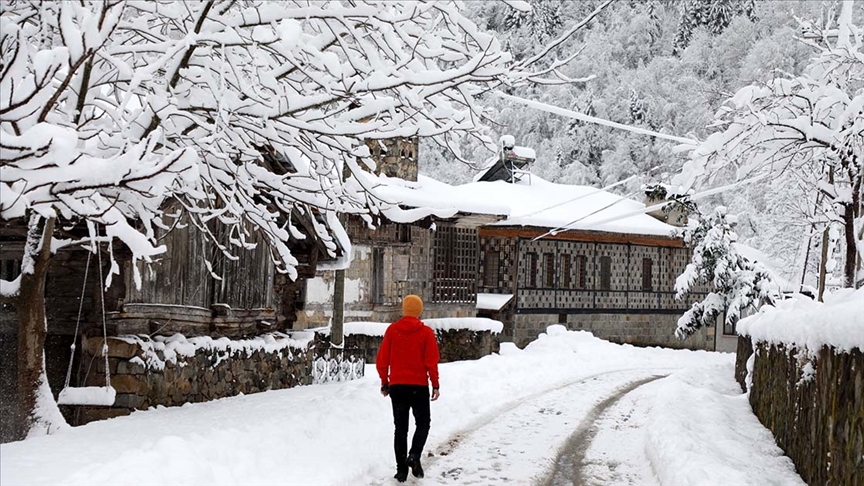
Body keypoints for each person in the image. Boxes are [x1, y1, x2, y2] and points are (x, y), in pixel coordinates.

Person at [377, 294, 440, 482]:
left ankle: (401, 470)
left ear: (404, 309)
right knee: (423, 423)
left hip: (397, 386)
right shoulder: (426, 333)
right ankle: (414, 455)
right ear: (419, 310)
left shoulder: (392, 330)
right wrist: (435, 384)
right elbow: (431, 362)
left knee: (400, 429)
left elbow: (382, 360)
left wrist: (384, 382)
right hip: (418, 387)